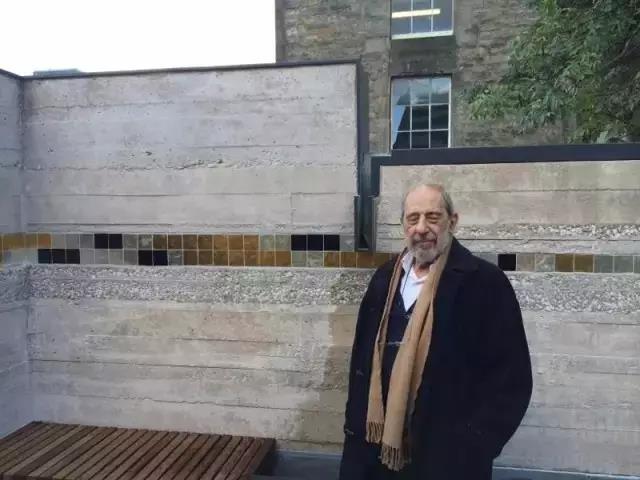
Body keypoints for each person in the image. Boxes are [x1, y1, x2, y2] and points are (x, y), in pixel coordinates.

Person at [339, 184, 532, 480]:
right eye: (413, 218)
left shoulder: (484, 283)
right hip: (376, 452)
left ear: (452, 221)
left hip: (446, 459)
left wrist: (473, 445)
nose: (421, 228)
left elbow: (512, 379)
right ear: (403, 225)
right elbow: (360, 362)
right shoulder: (384, 279)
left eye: (432, 217)